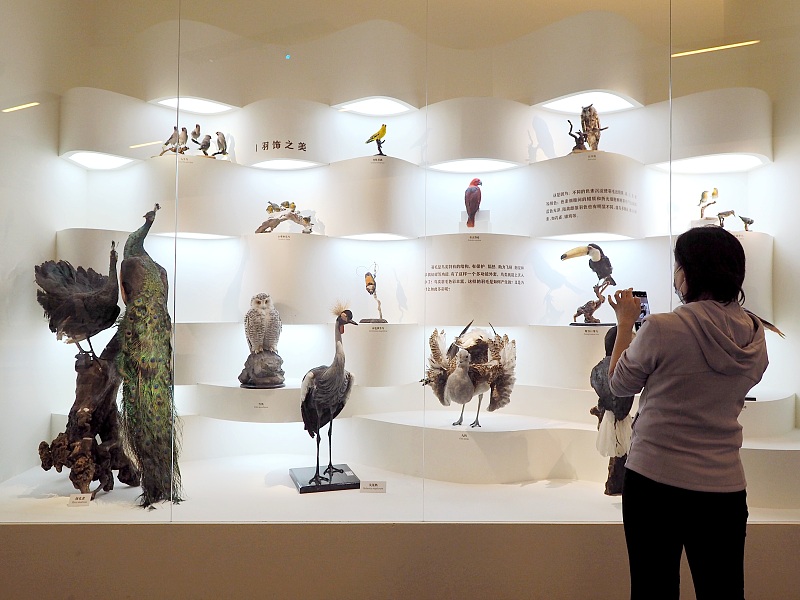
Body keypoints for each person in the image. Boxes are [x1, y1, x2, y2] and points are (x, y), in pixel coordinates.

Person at [607, 226, 769, 600]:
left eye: (678, 265)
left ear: (690, 271)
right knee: (723, 592)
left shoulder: (663, 327)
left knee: (653, 590)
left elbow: (619, 383)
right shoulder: (756, 336)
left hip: (653, 482)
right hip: (724, 486)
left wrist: (624, 323)